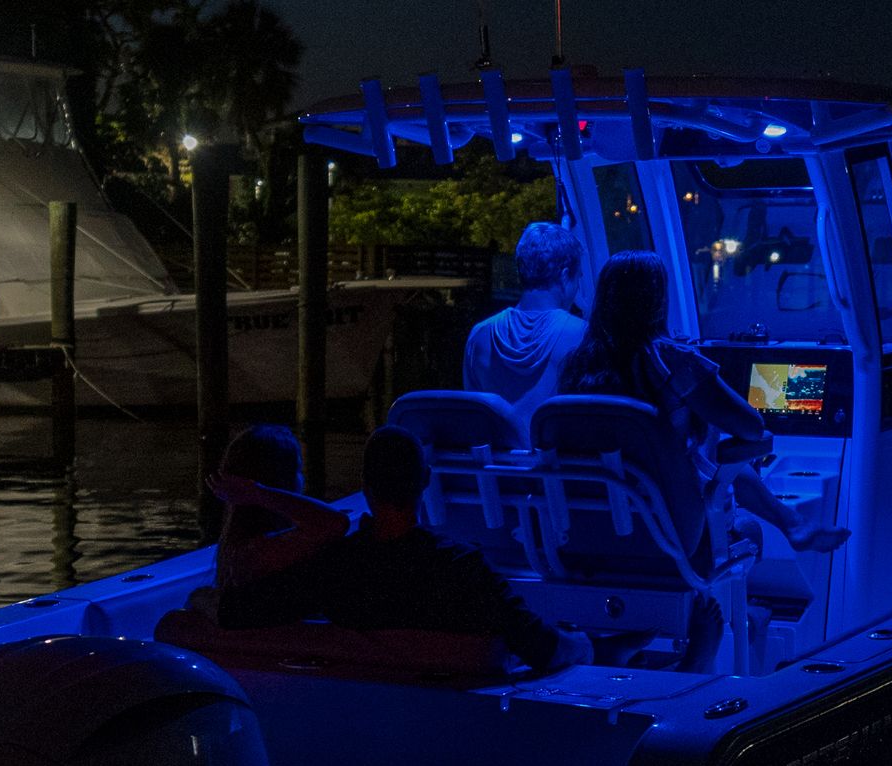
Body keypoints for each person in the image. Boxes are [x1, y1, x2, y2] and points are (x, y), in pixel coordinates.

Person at [282, 426, 657, 672]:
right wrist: (583, 646)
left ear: (364, 484)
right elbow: (541, 649)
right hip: (456, 710)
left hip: (371, 706)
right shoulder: (460, 567)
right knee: (571, 646)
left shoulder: (337, 566)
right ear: (426, 481)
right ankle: (610, 651)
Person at [554, 250, 850, 554]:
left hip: (586, 528)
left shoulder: (576, 367)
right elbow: (751, 426)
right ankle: (792, 524)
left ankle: (793, 523)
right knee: (716, 455)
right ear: (656, 301)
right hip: (669, 531)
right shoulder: (671, 361)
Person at [190, 424, 351, 628]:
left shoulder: (237, 543)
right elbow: (336, 523)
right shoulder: (258, 551)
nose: (302, 478)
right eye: (298, 470)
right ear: (284, 481)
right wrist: (258, 493)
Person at [463, 222, 587, 417]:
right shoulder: (581, 335)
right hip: (555, 448)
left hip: (497, 449)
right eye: (578, 278)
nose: (578, 289)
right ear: (564, 276)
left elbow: (474, 419)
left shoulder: (480, 335)